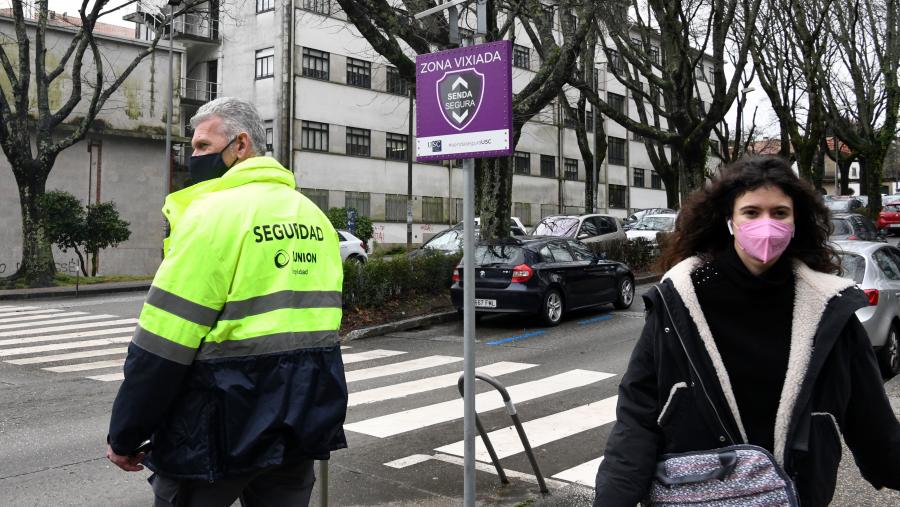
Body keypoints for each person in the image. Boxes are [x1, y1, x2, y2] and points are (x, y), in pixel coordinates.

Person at [593, 156, 900, 506]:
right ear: (729, 220)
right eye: (751, 212)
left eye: (780, 213)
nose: (766, 225)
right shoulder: (680, 302)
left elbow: (873, 424)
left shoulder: (829, 310)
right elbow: (637, 417)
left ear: (795, 222)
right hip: (698, 497)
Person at [106, 97, 347, 506]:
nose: (193, 157)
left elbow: (164, 342)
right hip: (301, 419)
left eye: (203, 146)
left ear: (241, 145)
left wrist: (126, 433)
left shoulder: (212, 215)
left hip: (219, 429)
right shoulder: (314, 217)